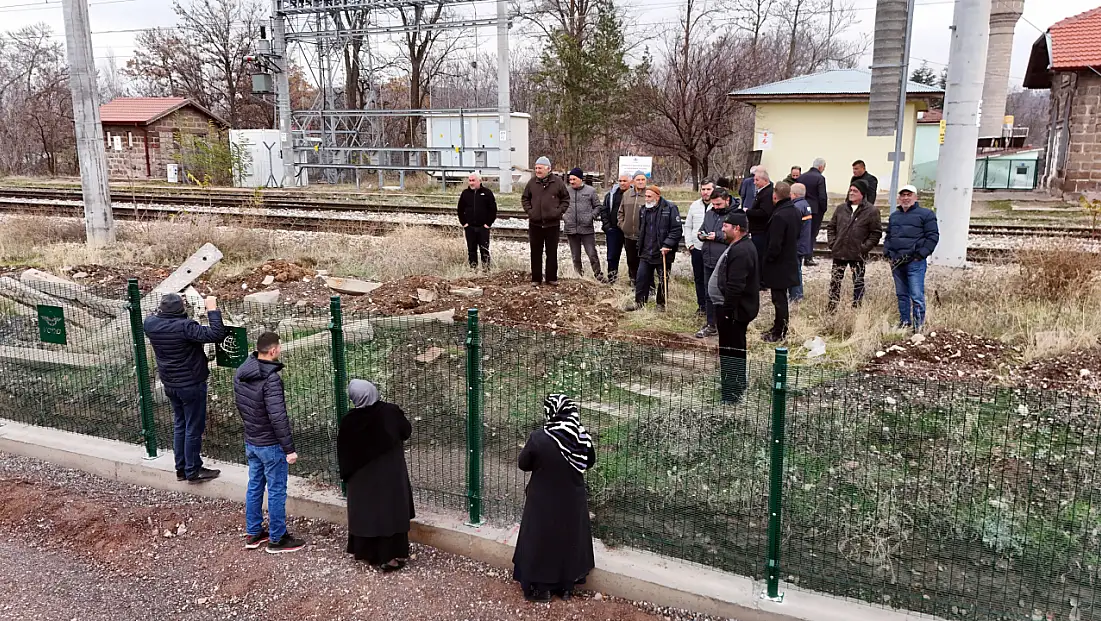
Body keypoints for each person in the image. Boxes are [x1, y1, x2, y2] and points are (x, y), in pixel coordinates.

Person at [513, 394, 596, 603]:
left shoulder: (540, 437)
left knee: (541, 539)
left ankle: (543, 589)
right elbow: (589, 462)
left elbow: (523, 464)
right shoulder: (581, 437)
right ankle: (566, 588)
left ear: (551, 412)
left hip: (542, 500)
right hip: (572, 501)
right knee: (569, 540)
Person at [234, 331, 305, 554]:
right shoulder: (271, 379)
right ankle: (277, 538)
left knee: (255, 485)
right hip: (270, 444)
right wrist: (289, 449)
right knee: (276, 489)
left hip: (252, 440)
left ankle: (253, 533)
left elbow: (242, 405)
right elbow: (278, 417)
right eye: (280, 347)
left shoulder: (241, 372)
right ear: (273, 350)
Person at [144, 292, 225, 483]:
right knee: (193, 428)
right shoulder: (185, 327)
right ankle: (193, 470)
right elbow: (216, 334)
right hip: (191, 384)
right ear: (181, 309)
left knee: (180, 424)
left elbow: (154, 314)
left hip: (170, 383)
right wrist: (212, 309)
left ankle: (181, 468)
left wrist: (170, 302)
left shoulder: (151, 324)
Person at [339, 380, 415, 572]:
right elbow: (406, 431)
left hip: (360, 479)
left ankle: (367, 553)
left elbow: (344, 452)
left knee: (366, 513)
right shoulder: (389, 412)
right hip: (389, 474)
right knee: (389, 512)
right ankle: (388, 558)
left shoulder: (349, 421)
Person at [708, 211, 759, 404]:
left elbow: (736, 285)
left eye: (726, 226)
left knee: (732, 351)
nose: (722, 229)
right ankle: (734, 386)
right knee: (732, 350)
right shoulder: (739, 246)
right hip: (732, 311)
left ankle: (732, 394)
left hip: (734, 312)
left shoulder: (742, 250)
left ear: (737, 229)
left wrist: (728, 312)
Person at [884, 185, 940, 331]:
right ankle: (904, 323)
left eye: (909, 195)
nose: (906, 198)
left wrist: (920, 255)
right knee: (902, 295)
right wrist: (888, 252)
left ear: (915, 197)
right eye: (903, 195)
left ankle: (918, 326)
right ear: (899, 198)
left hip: (915, 263)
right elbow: (889, 236)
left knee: (916, 295)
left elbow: (932, 237)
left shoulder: (926, 214)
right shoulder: (894, 216)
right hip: (897, 262)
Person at [826, 179, 883, 312]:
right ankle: (832, 307)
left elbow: (875, 233)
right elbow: (831, 227)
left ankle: (856, 308)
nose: (851, 193)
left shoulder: (871, 211)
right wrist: (832, 243)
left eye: (855, 191)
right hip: (839, 251)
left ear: (862, 193)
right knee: (835, 281)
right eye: (850, 190)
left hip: (857, 254)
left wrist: (863, 248)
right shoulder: (841, 208)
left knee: (858, 282)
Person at [626, 185, 682, 312]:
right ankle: (639, 303)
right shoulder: (644, 210)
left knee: (663, 280)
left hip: (662, 252)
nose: (646, 199)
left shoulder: (670, 208)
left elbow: (676, 230)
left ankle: (660, 304)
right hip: (646, 251)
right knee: (641, 278)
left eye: (649, 196)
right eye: (645, 196)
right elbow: (642, 230)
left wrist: (667, 244)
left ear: (657, 197)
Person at [761, 182, 801, 343]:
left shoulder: (779, 215)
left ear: (775, 195)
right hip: (789, 260)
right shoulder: (795, 211)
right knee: (780, 298)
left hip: (778, 264)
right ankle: (778, 327)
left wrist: (767, 259)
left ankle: (779, 332)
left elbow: (775, 244)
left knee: (779, 299)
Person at [522, 156, 570, 286]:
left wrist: (558, 212)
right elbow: (525, 199)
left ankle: (551, 278)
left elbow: (566, 199)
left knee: (551, 252)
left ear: (548, 169)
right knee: (535, 252)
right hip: (535, 224)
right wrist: (530, 212)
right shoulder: (532, 183)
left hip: (552, 224)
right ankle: (536, 279)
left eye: (540, 168)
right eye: (536, 168)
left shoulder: (558, 183)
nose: (537, 170)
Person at [695, 186, 734, 338]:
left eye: (719, 204)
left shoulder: (734, 215)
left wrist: (716, 236)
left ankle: (725, 323)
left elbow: (736, 237)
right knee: (708, 292)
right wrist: (700, 235)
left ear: (727, 200)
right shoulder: (710, 214)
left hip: (724, 259)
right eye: (714, 204)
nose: (716, 207)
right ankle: (711, 324)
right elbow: (703, 228)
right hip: (708, 257)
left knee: (723, 293)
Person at [563, 167, 604, 280]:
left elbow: (598, 206)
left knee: (592, 254)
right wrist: (565, 216)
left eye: (574, 179)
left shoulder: (590, 191)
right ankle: (579, 277)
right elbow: (559, 206)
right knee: (575, 256)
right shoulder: (566, 191)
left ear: (581, 179)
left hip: (587, 229)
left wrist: (591, 216)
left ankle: (598, 275)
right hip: (571, 229)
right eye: (570, 179)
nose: (571, 182)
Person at [683, 178, 714, 317]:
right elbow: (688, 226)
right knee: (699, 278)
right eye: (703, 189)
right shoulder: (695, 206)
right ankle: (701, 306)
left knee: (712, 280)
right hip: (697, 248)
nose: (705, 192)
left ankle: (712, 307)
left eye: (708, 189)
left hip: (713, 250)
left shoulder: (718, 205)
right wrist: (689, 244)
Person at [457, 173, 497, 270]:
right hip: (470, 227)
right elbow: (460, 210)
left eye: (473, 180)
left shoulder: (487, 193)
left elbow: (493, 210)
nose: (471, 183)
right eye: (470, 180)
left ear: (479, 181)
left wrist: (488, 224)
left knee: (484, 250)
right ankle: (473, 270)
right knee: (471, 250)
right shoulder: (465, 193)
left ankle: (486, 270)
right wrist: (464, 224)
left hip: (483, 227)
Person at [617, 171, 649, 284]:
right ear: (633, 181)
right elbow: (620, 212)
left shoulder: (649, 194)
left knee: (644, 262)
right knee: (631, 261)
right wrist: (623, 226)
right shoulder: (626, 195)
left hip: (644, 237)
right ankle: (633, 282)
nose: (640, 182)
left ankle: (645, 284)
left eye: (643, 180)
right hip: (629, 235)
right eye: (638, 180)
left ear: (646, 181)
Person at [745, 168, 775, 285]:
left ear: (765, 180)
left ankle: (761, 280)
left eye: (757, 180)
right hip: (758, 229)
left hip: (761, 230)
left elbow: (764, 212)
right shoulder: (763, 192)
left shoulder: (766, 193)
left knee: (760, 255)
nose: (754, 182)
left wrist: (748, 211)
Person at [600, 174, 630, 283]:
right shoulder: (611, 195)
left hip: (629, 231)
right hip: (613, 230)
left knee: (632, 258)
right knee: (612, 257)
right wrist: (607, 227)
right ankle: (612, 280)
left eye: (625, 181)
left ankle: (633, 280)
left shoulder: (634, 195)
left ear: (630, 182)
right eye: (620, 180)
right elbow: (604, 210)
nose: (622, 183)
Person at [799, 158, 828, 266]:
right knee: (812, 233)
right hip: (815, 210)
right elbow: (822, 196)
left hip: (801, 207)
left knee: (802, 232)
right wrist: (823, 208)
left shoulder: (802, 177)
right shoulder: (820, 178)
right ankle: (808, 257)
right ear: (820, 167)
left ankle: (800, 254)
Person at [788, 183, 814, 303]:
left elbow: (794, 227)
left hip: (796, 244)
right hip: (803, 243)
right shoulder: (806, 205)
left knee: (795, 270)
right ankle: (797, 295)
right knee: (797, 269)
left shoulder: (797, 207)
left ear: (794, 194)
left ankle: (796, 296)